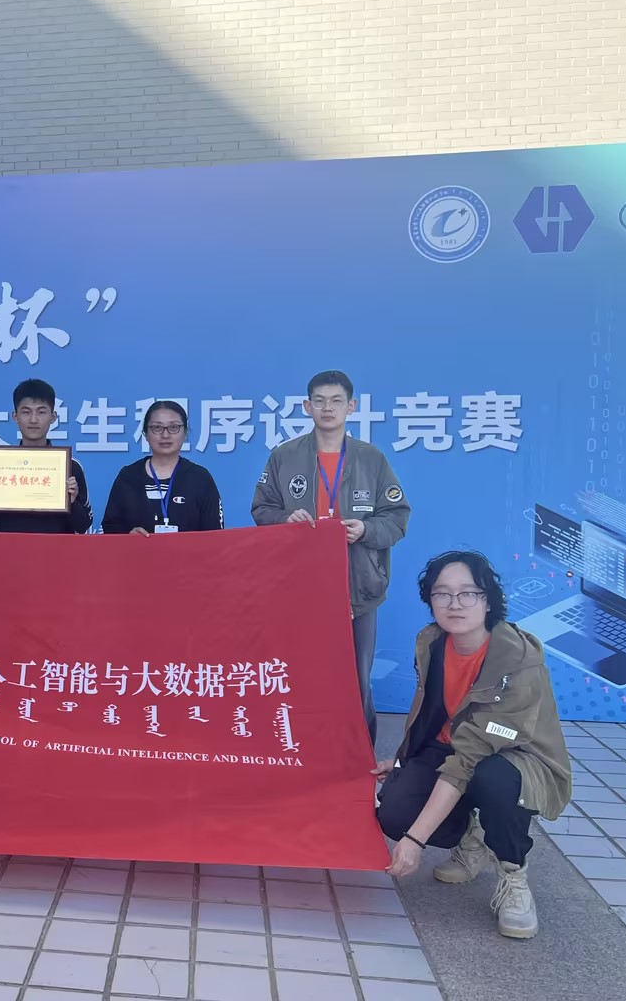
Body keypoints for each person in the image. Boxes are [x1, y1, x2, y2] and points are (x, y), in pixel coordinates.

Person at [374, 551, 572, 940]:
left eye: (468, 593)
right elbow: (426, 712)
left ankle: (513, 874)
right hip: (452, 749)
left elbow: (470, 756)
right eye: (442, 593)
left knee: (493, 780)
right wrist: (399, 761)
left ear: (488, 600)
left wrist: (415, 841)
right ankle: (473, 837)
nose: (454, 604)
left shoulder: (518, 659)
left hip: (515, 757)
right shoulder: (431, 641)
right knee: (394, 813)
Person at [251, 369, 409, 745]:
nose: (327, 408)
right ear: (307, 407)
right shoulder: (284, 456)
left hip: (358, 587)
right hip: (300, 587)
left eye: (336, 401)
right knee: (301, 675)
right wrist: (286, 519)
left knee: (356, 679)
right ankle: (305, 752)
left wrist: (365, 530)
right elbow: (261, 509)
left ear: (351, 407)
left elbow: (397, 517)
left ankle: (359, 759)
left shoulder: (371, 459)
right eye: (319, 401)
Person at [0, 378, 94, 533]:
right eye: (26, 412)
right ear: (15, 416)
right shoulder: (0, 465)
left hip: (57, 548)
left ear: (53, 417)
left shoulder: (70, 466)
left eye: (41, 412)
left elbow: (84, 525)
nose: (33, 419)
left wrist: (71, 502)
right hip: (10, 548)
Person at [102, 400, 223, 534]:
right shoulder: (128, 477)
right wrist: (128, 537)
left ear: (185, 433)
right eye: (157, 428)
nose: (165, 435)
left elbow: (215, 535)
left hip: (189, 549)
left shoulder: (200, 478)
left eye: (174, 427)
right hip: (137, 549)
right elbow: (110, 528)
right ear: (145, 433)